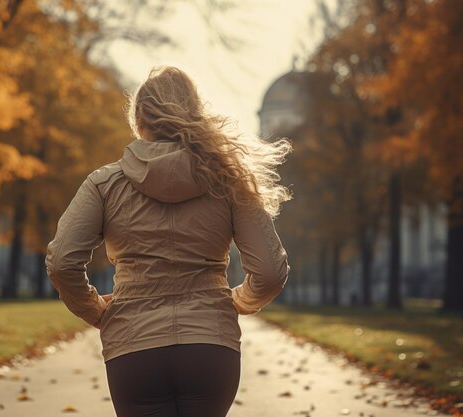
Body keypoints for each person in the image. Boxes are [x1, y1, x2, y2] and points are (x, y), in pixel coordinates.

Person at [45, 65, 292, 417]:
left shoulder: (103, 184)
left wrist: (96, 311)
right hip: (210, 346)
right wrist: (235, 302)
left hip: (133, 347)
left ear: (140, 119)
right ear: (194, 114)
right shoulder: (228, 182)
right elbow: (269, 271)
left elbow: (61, 263)